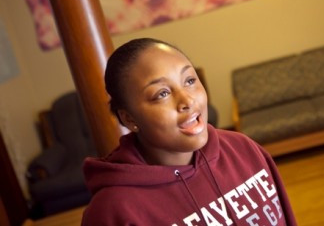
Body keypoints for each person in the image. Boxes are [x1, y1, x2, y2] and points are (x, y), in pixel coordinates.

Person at [81, 38, 297, 225]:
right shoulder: (113, 210)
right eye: (162, 94)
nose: (187, 100)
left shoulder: (241, 148)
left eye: (190, 81)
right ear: (129, 118)